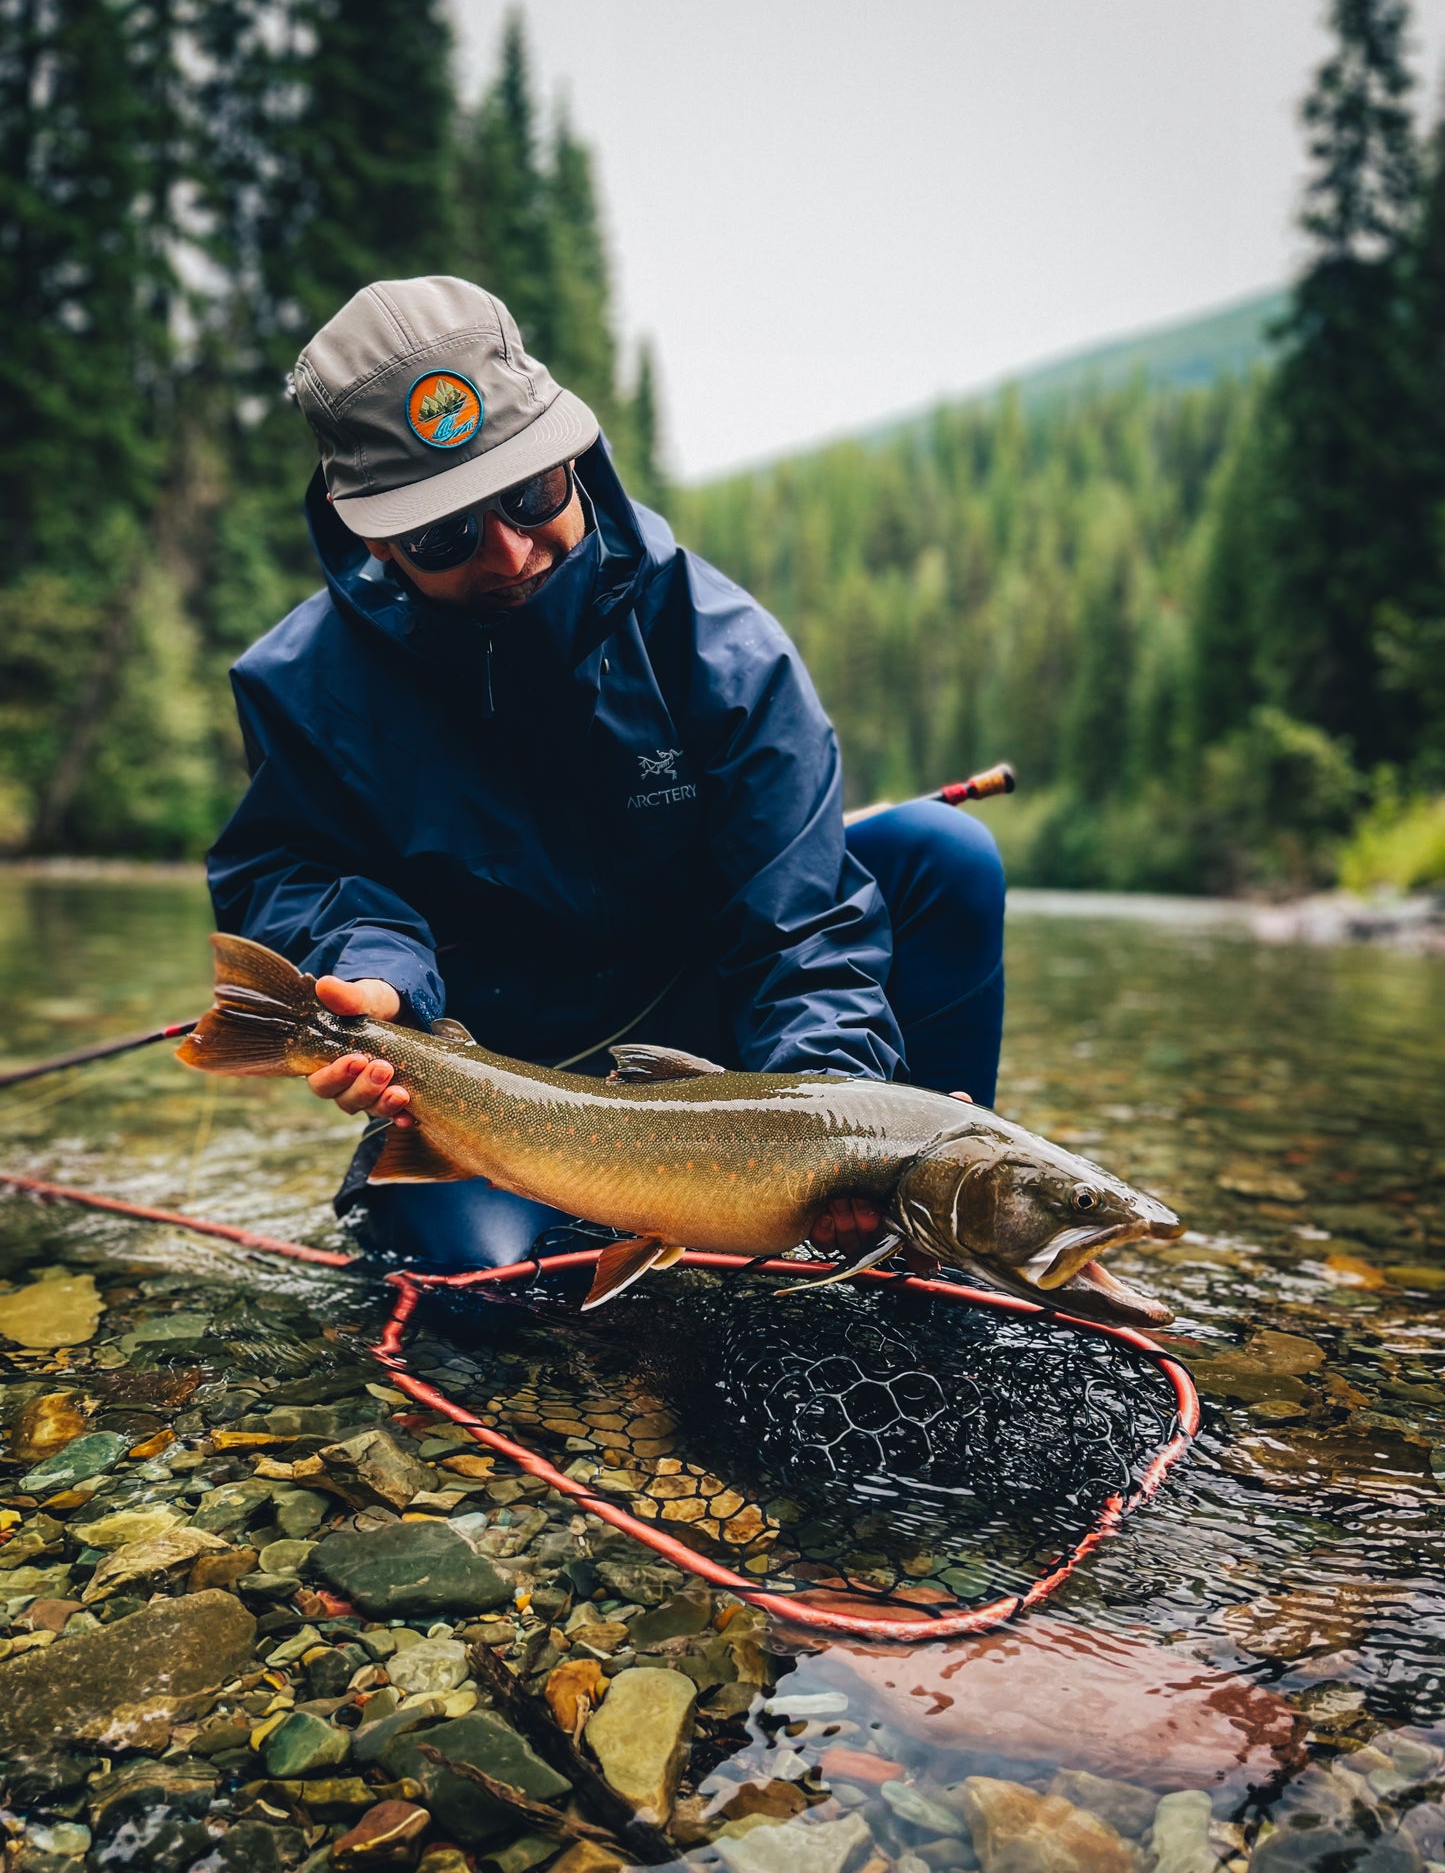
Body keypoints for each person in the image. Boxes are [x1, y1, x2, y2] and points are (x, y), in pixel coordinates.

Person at [208, 276, 1005, 1272]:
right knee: (484, 1291)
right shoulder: (300, 685)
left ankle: (926, 1226)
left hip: (717, 1038)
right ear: (368, 533)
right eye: (440, 533)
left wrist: (834, 1131)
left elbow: (800, 925)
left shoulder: (719, 650)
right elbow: (290, 866)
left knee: (940, 856)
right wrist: (376, 975)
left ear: (571, 455)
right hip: (488, 1069)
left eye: (529, 491)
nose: (507, 550)